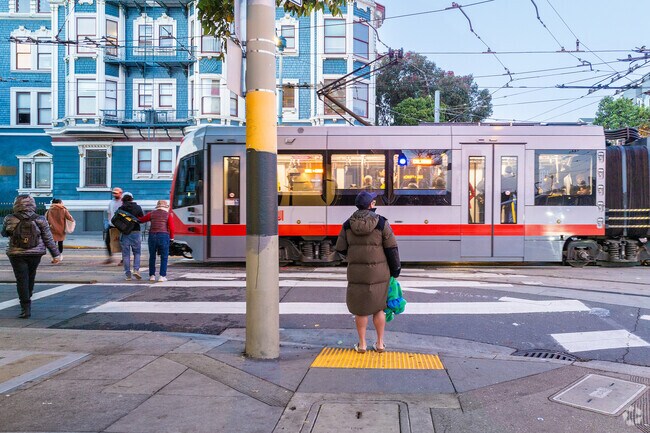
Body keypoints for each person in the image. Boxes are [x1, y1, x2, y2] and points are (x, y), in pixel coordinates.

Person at [335, 191, 400, 354]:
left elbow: (340, 249)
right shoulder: (381, 223)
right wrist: (395, 269)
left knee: (360, 309)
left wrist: (353, 257)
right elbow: (392, 248)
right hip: (379, 273)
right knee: (379, 308)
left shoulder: (347, 224)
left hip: (357, 273)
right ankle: (379, 343)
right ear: (371, 205)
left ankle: (362, 344)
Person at [2, 195, 60, 318]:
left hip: (16, 253)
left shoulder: (10, 218)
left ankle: (25, 307)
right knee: (31, 275)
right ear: (33, 204)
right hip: (35, 253)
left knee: (21, 279)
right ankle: (28, 294)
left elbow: (4, 233)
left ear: (16, 204)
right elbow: (48, 238)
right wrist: (56, 254)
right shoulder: (40, 219)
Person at [139, 200, 174, 282]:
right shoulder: (168, 215)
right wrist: (172, 238)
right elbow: (172, 228)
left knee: (152, 256)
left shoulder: (151, 213)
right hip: (163, 235)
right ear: (166, 207)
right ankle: (162, 276)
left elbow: (141, 220)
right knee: (164, 257)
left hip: (152, 235)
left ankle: (152, 275)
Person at [117, 192, 144, 280]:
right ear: (132, 199)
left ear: (123, 200)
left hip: (125, 233)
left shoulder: (121, 208)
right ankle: (136, 270)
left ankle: (128, 275)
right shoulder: (138, 207)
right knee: (137, 252)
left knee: (125, 255)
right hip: (135, 232)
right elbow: (141, 219)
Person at [106, 187, 124, 264]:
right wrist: (109, 221)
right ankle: (110, 257)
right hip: (112, 224)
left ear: (120, 193)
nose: (115, 194)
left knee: (123, 242)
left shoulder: (123, 202)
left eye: (116, 193)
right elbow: (109, 212)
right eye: (114, 193)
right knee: (108, 241)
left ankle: (124, 258)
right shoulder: (111, 202)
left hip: (121, 225)